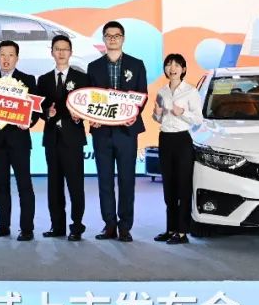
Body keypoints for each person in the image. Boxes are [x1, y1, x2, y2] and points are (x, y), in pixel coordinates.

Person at [87, 20, 149, 242]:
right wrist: (92, 117)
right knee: (104, 180)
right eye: (108, 35)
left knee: (126, 180)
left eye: (117, 35)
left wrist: (133, 114)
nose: (112, 39)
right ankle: (109, 225)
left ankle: (125, 226)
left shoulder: (136, 64)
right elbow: (89, 97)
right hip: (102, 132)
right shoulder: (93, 67)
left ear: (123, 38)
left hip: (126, 132)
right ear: (104, 39)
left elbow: (142, 94)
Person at [0, 40, 39, 241]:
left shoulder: (28, 80)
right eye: (2, 55)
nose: (6, 59)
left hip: (19, 142)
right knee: (1, 186)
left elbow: (35, 111)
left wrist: (29, 122)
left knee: (24, 185)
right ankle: (3, 225)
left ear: (17, 58)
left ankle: (27, 228)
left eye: (10, 55)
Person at [37, 35, 90, 241]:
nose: (61, 53)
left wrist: (80, 116)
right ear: (51, 52)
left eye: (65, 49)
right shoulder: (43, 80)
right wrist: (47, 114)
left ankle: (77, 226)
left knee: (75, 185)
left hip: (73, 138)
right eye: (57, 49)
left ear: (71, 52)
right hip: (52, 138)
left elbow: (89, 106)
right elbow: (39, 109)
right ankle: (57, 226)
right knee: (54, 185)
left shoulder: (82, 78)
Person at [152, 53, 203, 245]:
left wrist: (182, 113)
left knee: (183, 186)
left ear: (183, 69)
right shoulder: (162, 91)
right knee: (169, 186)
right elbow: (159, 119)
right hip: (165, 139)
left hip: (182, 139)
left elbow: (198, 119)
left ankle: (182, 232)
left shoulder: (191, 91)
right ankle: (171, 229)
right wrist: (156, 114)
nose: (172, 68)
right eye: (168, 65)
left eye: (176, 65)